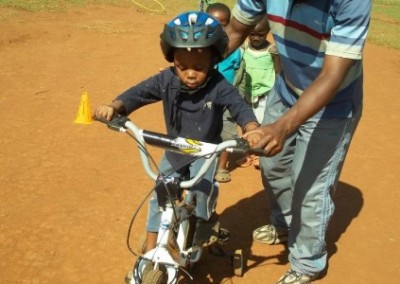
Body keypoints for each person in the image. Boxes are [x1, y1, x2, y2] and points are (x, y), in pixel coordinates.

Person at [225, 0, 372, 283]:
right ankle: (284, 224)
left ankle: (307, 262)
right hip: (287, 87)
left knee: (311, 188)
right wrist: (195, 65)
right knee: (273, 166)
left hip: (333, 102)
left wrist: (281, 127)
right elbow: (234, 30)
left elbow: (332, 75)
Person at [93, 11, 259, 255]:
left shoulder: (219, 85)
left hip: (206, 152)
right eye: (182, 67)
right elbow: (138, 93)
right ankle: (148, 253)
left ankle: (204, 223)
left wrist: (252, 128)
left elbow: (239, 107)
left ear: (214, 60)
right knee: (159, 197)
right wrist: (115, 106)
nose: (190, 73)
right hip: (174, 149)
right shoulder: (165, 80)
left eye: (199, 67)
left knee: (202, 191)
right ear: (172, 61)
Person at [234, 16, 280, 169]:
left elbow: (278, 71)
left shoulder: (272, 50)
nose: (256, 37)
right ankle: (248, 155)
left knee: (262, 126)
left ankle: (260, 156)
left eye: (260, 34)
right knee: (246, 124)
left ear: (268, 32)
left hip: (264, 96)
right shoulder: (244, 48)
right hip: (246, 94)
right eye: (252, 34)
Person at [206, 2, 242, 183]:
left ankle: (221, 167)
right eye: (213, 23)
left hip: (227, 98)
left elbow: (239, 73)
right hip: (204, 96)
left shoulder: (235, 49)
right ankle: (199, 164)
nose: (219, 28)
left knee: (227, 134)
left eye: (223, 24)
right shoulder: (199, 47)